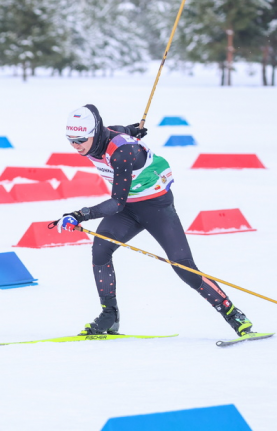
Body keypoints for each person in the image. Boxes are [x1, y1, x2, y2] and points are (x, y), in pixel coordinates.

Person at [55, 104, 254, 337]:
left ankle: (233, 315)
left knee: (183, 266)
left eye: (80, 140)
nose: (76, 146)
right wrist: (130, 130)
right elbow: (118, 129)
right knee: (100, 249)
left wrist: (80, 215)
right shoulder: (100, 137)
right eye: (70, 140)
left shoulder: (122, 152)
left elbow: (116, 202)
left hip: (155, 207)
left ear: (94, 132)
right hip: (129, 208)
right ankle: (109, 316)